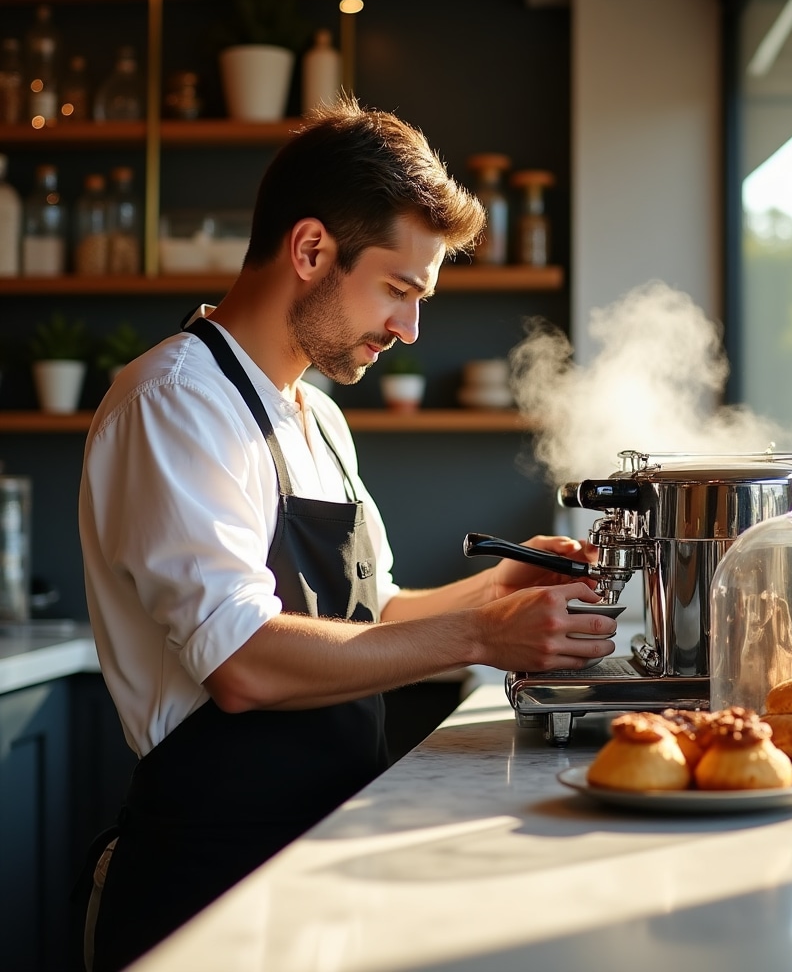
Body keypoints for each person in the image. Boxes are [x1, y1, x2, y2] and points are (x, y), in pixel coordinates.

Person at [77, 96, 616, 972]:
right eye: (399, 290)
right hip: (208, 881)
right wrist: (484, 635)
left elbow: (379, 616)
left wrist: (505, 590)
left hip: (318, 848)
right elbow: (243, 664)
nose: (409, 329)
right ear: (312, 249)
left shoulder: (319, 416)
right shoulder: (176, 402)